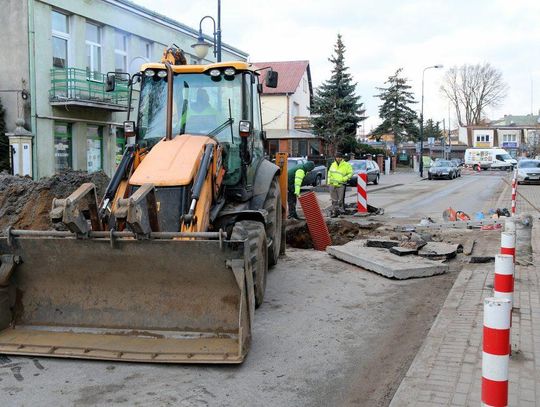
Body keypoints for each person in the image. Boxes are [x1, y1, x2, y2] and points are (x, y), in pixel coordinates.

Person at [328, 151, 353, 217]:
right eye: (337, 157)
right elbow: (329, 173)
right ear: (335, 158)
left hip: (341, 184)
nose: (338, 158)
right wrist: (328, 182)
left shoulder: (346, 165)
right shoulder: (333, 164)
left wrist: (344, 179)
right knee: (334, 200)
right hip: (332, 184)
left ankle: (341, 211)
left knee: (340, 200)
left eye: (339, 157)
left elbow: (350, 173)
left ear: (342, 158)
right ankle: (334, 212)